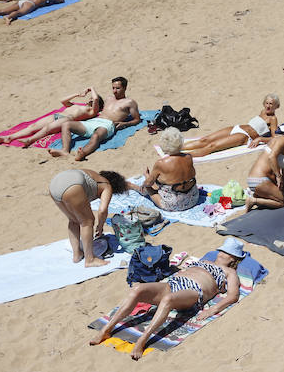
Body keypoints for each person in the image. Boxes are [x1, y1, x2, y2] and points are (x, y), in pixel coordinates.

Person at [90, 237, 245, 360]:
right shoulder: (204, 261)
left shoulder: (230, 273)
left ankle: (142, 340)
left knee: (168, 300)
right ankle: (106, 330)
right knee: (137, 289)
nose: (221, 253)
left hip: (193, 291)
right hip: (174, 282)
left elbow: (233, 295)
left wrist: (214, 309)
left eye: (226, 252)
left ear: (233, 258)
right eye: (221, 250)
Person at [49, 168, 129, 267]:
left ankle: (77, 255)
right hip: (72, 186)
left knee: (73, 220)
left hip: (54, 185)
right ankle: (90, 259)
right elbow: (103, 210)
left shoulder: (93, 175)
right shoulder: (107, 186)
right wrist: (100, 226)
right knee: (87, 222)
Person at [48, 76, 141, 160]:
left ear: (125, 88)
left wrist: (125, 124)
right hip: (94, 121)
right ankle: (65, 150)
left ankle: (82, 153)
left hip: (108, 124)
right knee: (66, 124)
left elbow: (137, 119)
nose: (114, 91)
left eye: (118, 88)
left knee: (96, 135)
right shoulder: (109, 98)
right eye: (113, 88)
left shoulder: (130, 102)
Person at [0, 87, 103, 147]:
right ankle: (9, 138)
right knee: (33, 126)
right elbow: (63, 101)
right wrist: (77, 94)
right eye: (90, 98)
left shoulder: (92, 111)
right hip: (56, 116)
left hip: (67, 119)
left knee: (47, 129)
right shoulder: (77, 105)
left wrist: (91, 88)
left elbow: (96, 99)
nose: (91, 99)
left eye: (92, 99)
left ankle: (30, 140)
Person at [180, 94, 279, 158]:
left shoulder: (273, 119)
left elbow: (274, 138)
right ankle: (178, 147)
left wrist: (260, 139)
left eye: (271, 104)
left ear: (276, 106)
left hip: (244, 136)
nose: (268, 106)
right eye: (266, 103)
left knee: (212, 146)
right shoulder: (263, 111)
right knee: (204, 140)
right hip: (237, 128)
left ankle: (183, 156)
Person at [245, 119, 284, 210]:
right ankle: (254, 200)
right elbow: (272, 157)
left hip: (264, 180)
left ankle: (260, 194)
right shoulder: (282, 140)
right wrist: (278, 176)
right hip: (259, 179)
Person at [138, 127, 199, 211]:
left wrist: (146, 177)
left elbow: (149, 183)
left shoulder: (161, 163)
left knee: (148, 187)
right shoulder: (188, 157)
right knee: (165, 182)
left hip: (174, 204)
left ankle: (132, 186)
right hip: (193, 198)